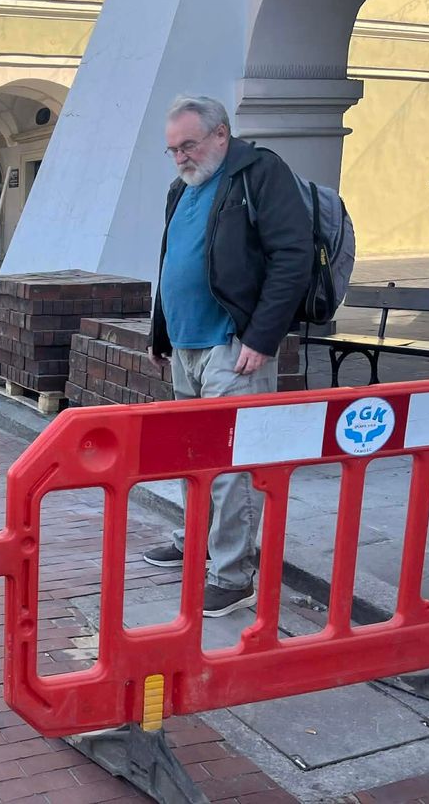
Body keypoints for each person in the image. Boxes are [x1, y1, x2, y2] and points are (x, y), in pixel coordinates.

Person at [143, 95, 312, 618]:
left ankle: (233, 575)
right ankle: (195, 538)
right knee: (189, 454)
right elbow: (173, 260)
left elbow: (293, 256)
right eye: (172, 150)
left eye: (188, 145)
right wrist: (161, 333)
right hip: (187, 346)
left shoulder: (259, 173)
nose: (180, 158)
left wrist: (262, 338)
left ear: (221, 134)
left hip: (234, 347)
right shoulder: (182, 188)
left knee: (233, 466)